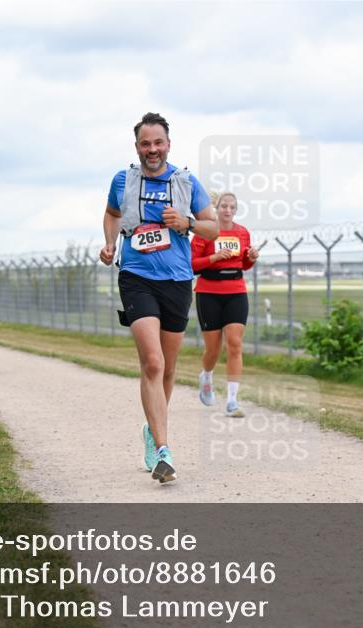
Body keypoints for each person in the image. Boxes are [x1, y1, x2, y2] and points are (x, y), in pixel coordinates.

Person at [99, 112, 218, 484]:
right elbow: (111, 213)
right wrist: (109, 242)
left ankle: (152, 432)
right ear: (137, 147)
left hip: (178, 280)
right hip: (137, 278)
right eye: (145, 143)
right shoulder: (124, 180)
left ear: (168, 144)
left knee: (167, 368)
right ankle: (164, 450)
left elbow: (213, 228)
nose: (152, 149)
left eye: (158, 142)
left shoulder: (186, 182)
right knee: (152, 362)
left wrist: (187, 224)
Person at [191, 192, 259, 417]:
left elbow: (245, 264)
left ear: (236, 210)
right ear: (216, 208)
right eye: (224, 206)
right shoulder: (205, 232)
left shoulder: (242, 232)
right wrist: (215, 258)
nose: (228, 210)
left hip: (236, 291)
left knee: (235, 344)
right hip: (209, 292)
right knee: (213, 349)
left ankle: (232, 400)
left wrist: (251, 257)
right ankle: (207, 377)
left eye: (232, 207)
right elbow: (192, 265)